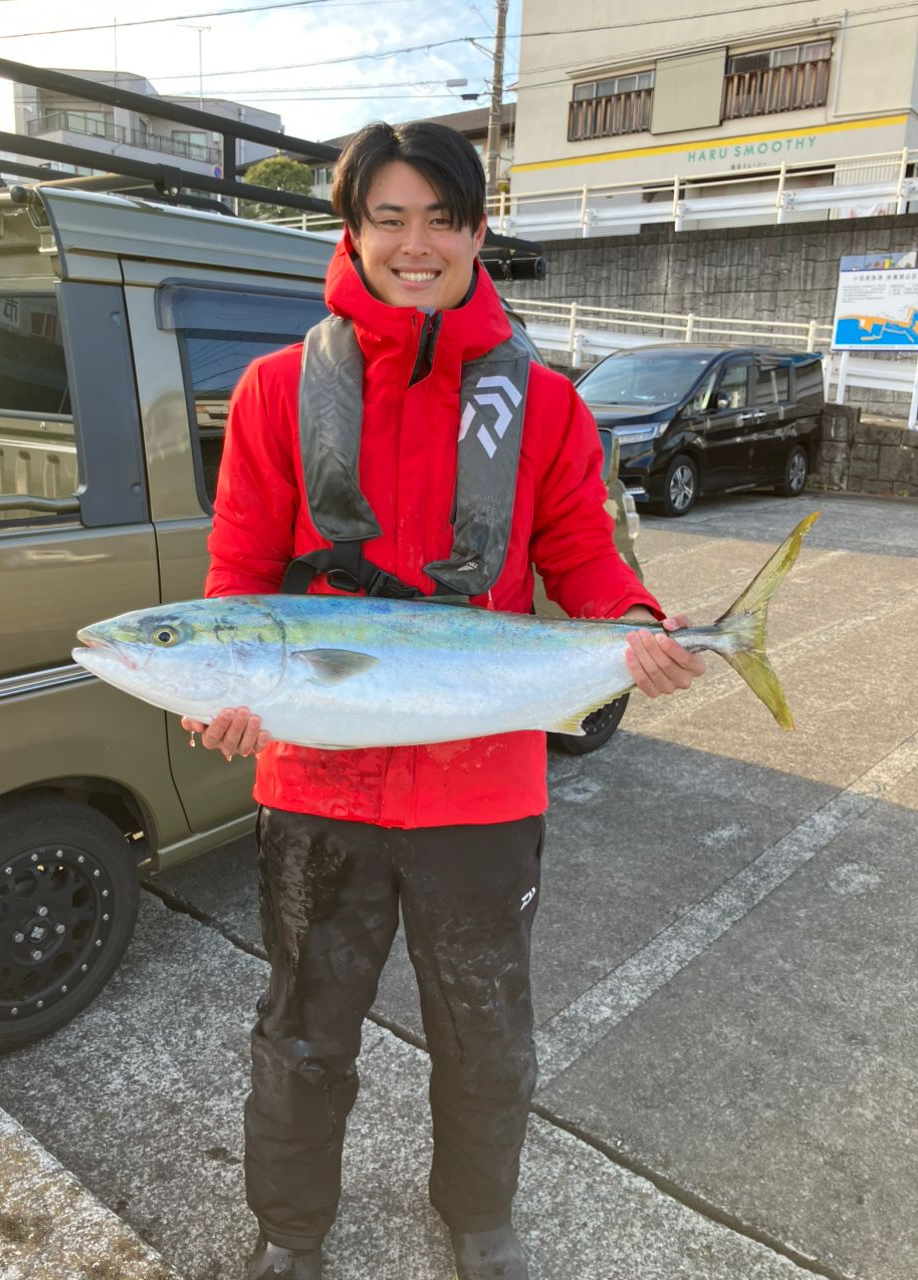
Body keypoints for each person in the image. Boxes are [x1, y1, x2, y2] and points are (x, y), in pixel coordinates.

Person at [183, 121, 705, 1280]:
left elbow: (584, 557)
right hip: (318, 778)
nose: (415, 244)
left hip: (484, 786)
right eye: (389, 218)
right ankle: (289, 1231)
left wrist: (639, 626)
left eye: (442, 218)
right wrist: (221, 694)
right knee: (304, 1028)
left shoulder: (550, 406)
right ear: (353, 230)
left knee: (484, 1031)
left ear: (478, 229)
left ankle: (476, 1217)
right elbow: (237, 575)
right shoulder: (277, 393)